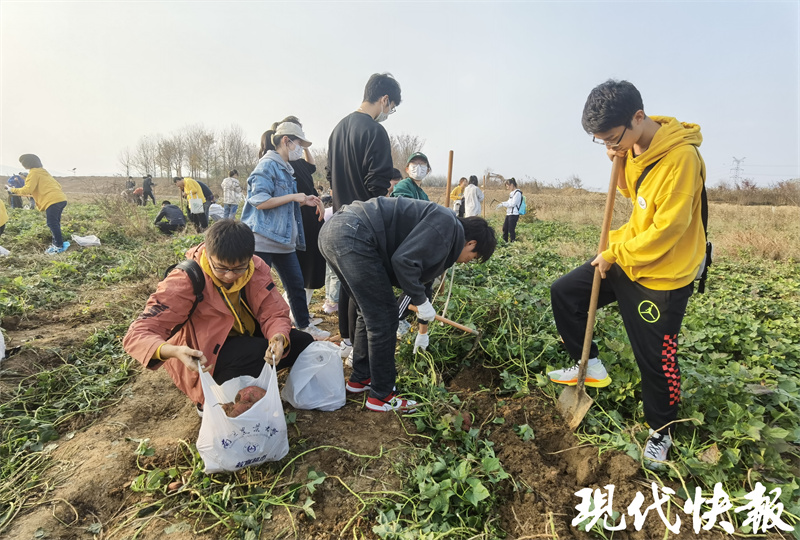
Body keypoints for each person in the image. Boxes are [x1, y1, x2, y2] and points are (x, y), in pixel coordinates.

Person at [548, 79, 707, 469]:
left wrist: (615, 251)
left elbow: (668, 229)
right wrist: (619, 161)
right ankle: (591, 364)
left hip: (662, 275)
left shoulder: (681, 159)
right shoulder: (633, 145)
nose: (609, 147)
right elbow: (633, 196)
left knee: (656, 357)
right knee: (566, 292)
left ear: (639, 117)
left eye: (612, 139)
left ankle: (662, 430)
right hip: (630, 257)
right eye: (601, 141)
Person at [320, 197, 496, 412]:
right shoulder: (447, 225)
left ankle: (361, 378)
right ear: (471, 243)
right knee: (382, 318)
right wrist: (419, 304)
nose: (468, 261)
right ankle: (382, 396)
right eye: (473, 256)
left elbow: (422, 287)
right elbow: (403, 261)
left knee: (368, 312)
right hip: (352, 233)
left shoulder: (444, 241)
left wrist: (423, 332)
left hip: (337, 232)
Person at [123, 219, 314, 413]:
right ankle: (209, 401)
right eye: (221, 268)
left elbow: (273, 312)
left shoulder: (256, 267)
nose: (230, 276)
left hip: (244, 337)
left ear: (250, 257)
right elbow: (137, 333)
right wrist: (174, 351)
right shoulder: (186, 279)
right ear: (208, 254)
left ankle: (258, 386)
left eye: (239, 268)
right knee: (253, 353)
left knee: (301, 342)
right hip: (205, 355)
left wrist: (278, 337)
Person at [327, 72, 402, 358]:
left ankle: (345, 339)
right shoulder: (374, 131)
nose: (389, 112)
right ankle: (358, 348)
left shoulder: (337, 129)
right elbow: (378, 181)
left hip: (339, 217)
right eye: (391, 106)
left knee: (347, 279)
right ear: (384, 99)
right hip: (364, 219)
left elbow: (332, 176)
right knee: (364, 286)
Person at [241, 121, 329, 341]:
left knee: (296, 285)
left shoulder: (287, 168)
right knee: (258, 290)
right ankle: (254, 335)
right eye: (298, 143)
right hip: (263, 240)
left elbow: (281, 205)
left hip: (284, 241)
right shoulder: (267, 166)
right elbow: (259, 201)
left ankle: (304, 325)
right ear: (286, 141)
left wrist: (304, 200)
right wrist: (293, 196)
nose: (300, 148)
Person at [280, 116, 327, 309]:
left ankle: (299, 312)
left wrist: (305, 145)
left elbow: (313, 165)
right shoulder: (282, 165)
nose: (300, 144)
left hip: (311, 216)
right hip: (300, 217)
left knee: (310, 267)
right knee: (303, 267)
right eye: (298, 140)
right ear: (286, 139)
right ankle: (294, 313)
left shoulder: (297, 162)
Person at [8, 154, 69, 254]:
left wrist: (12, 189)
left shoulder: (33, 173)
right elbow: (58, 185)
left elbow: (27, 189)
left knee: (52, 223)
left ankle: (58, 246)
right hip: (61, 199)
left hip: (52, 201)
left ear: (27, 163)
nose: (22, 165)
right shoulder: (43, 171)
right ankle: (57, 243)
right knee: (55, 223)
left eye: (23, 162)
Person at [497, 178, 523, 242]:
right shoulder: (512, 193)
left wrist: (503, 204)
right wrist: (502, 203)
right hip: (509, 213)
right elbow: (508, 202)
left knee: (511, 229)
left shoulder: (517, 193)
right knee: (505, 229)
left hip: (514, 214)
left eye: (508, 186)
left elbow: (513, 204)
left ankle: (512, 242)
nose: (507, 188)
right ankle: (504, 242)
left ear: (512, 185)